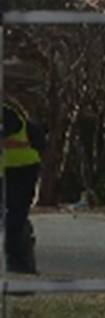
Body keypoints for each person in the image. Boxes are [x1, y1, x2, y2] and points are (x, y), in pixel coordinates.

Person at [3, 100, 44, 274]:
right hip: (9, 169)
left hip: (23, 168)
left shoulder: (7, 114)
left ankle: (17, 263)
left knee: (15, 215)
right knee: (13, 216)